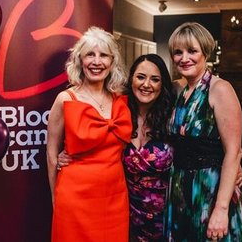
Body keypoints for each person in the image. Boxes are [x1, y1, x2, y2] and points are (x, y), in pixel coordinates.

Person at [57, 54, 176, 241]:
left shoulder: (172, 116)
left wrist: (234, 162)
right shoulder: (118, 108)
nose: (146, 84)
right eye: (140, 77)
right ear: (131, 80)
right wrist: (64, 156)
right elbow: (93, 138)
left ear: (163, 85)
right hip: (125, 211)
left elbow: (197, 148)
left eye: (155, 79)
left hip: (166, 214)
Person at [164, 22, 242, 241]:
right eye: (178, 52)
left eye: (192, 51)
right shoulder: (178, 89)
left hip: (210, 191)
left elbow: (234, 152)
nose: (184, 58)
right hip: (180, 188)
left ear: (205, 53)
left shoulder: (219, 89)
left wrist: (221, 209)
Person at [46, 26, 132, 242]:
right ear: (80, 60)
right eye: (90, 55)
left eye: (104, 55)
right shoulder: (65, 99)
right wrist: (55, 198)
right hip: (75, 197)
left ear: (112, 62)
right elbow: (51, 154)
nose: (97, 61)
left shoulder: (120, 99)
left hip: (115, 197)